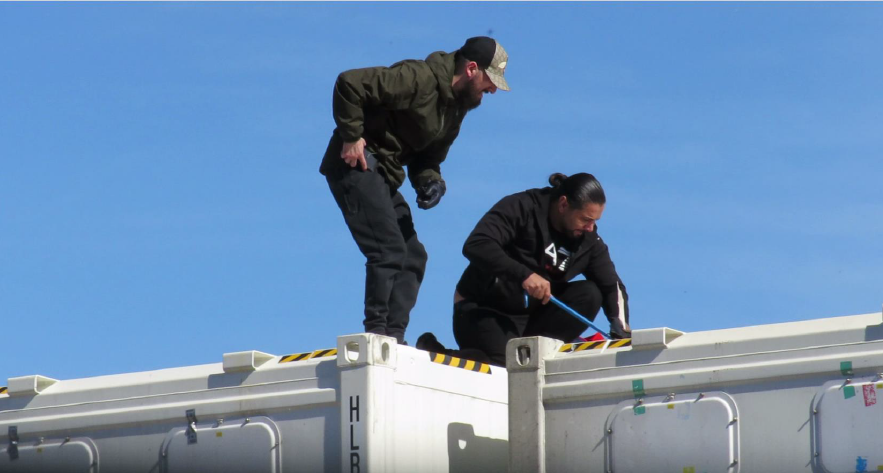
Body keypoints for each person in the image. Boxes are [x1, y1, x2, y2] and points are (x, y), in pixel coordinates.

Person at [320, 37, 511, 344]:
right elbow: (349, 83)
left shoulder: (455, 110)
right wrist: (351, 135)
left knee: (414, 255)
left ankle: (394, 338)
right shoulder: (418, 78)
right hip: (355, 163)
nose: (491, 91)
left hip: (383, 174)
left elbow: (428, 159)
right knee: (388, 249)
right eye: (490, 82)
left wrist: (431, 182)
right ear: (472, 69)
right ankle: (376, 335)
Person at [417, 173, 630, 366]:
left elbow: (611, 285)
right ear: (563, 204)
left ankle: (537, 354)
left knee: (590, 294)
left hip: (531, 317)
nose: (590, 227)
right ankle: (435, 352)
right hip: (483, 309)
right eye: (586, 219)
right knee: (505, 367)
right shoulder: (522, 207)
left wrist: (620, 326)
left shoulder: (588, 240)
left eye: (595, 221)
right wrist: (524, 275)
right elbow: (476, 244)